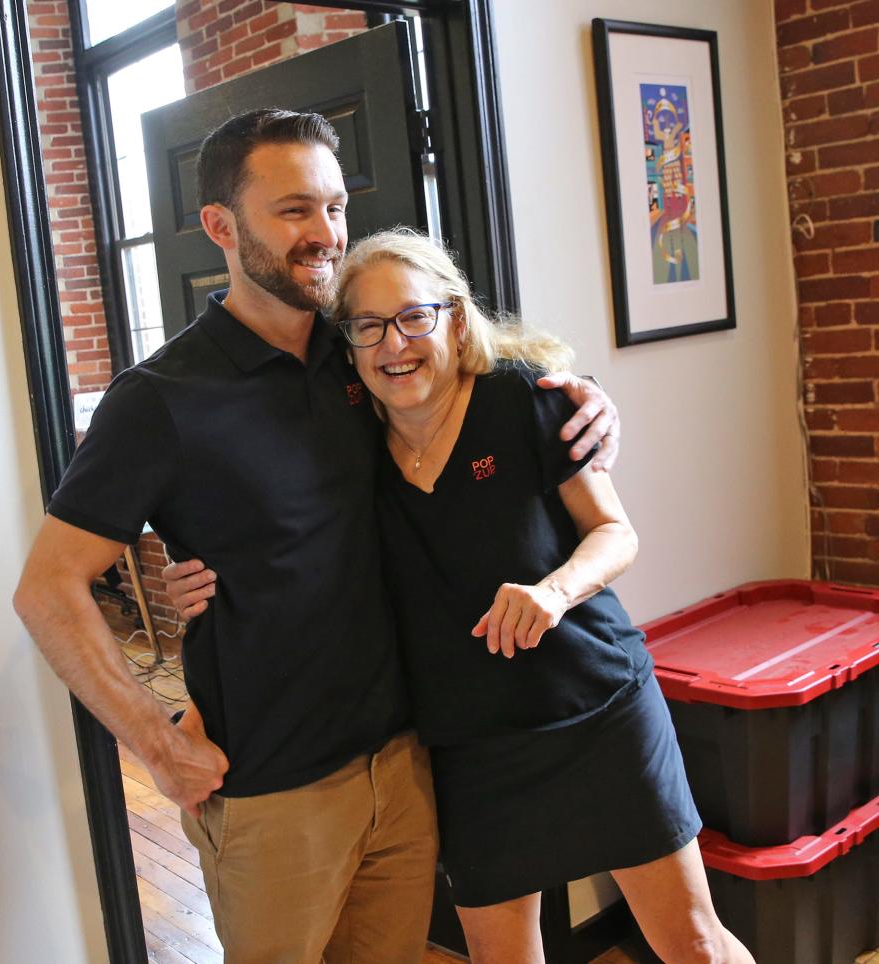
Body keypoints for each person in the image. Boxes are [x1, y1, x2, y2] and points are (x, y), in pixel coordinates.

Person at [13, 109, 621, 963]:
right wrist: (154, 742)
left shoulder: (362, 350)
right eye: (295, 210)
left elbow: (487, 374)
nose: (326, 234)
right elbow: (47, 588)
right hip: (270, 792)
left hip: (406, 765)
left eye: (335, 208)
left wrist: (583, 397)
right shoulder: (160, 398)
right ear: (221, 227)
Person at [167, 229, 754, 964]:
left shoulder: (524, 399)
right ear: (347, 344)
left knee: (692, 944)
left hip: (597, 712)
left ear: (453, 315)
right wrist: (206, 597)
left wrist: (554, 591)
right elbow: (288, 562)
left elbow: (615, 533)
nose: (395, 345)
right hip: (469, 746)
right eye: (368, 327)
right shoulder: (350, 444)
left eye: (415, 316)